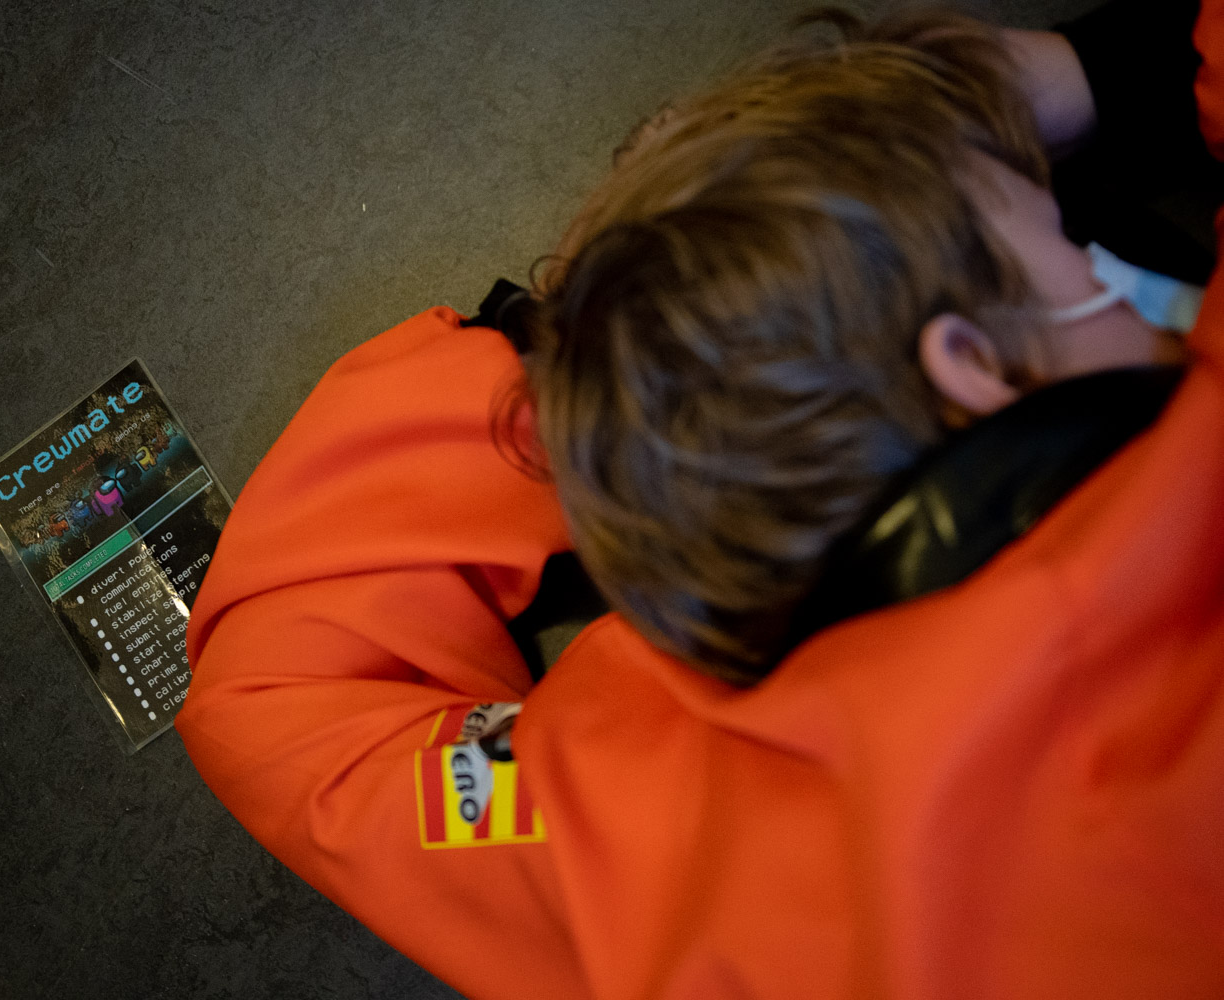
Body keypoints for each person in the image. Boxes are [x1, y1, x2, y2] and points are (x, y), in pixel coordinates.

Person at [178, 3, 1224, 998]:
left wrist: (602, 374)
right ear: (974, 366)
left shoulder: (660, 837)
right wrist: (1097, 72)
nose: (1101, 263)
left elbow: (279, 701)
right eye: (1066, 242)